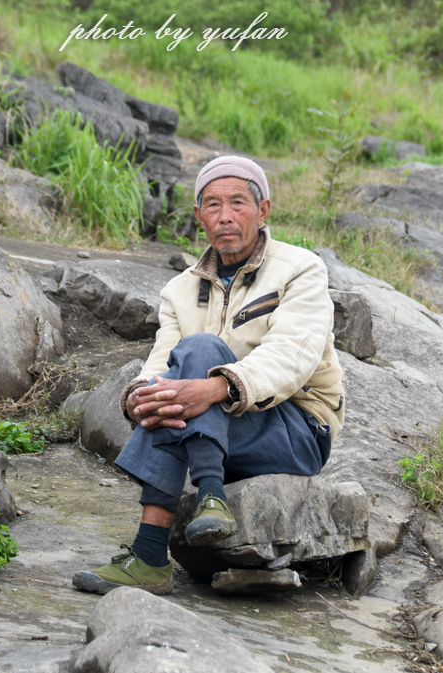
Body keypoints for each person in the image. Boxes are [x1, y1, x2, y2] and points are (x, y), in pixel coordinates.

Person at [71, 156, 345, 595]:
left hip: (296, 428)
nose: (226, 216)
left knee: (200, 354)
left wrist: (217, 387)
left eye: (238, 203)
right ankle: (208, 498)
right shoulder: (179, 290)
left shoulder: (300, 269)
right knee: (174, 378)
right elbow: (161, 361)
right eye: (213, 205)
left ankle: (152, 550)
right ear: (199, 217)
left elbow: (291, 358)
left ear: (263, 210)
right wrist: (138, 397)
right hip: (217, 429)